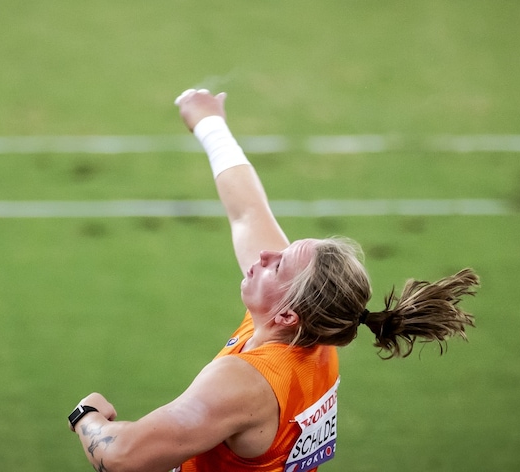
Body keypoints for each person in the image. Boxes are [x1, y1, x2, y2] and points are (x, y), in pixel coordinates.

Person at [68, 88, 479, 472]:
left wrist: (86, 415)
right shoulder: (313, 332)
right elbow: (248, 212)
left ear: (287, 315)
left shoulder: (245, 382)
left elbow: (122, 456)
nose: (264, 255)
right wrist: (211, 124)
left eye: (278, 265)